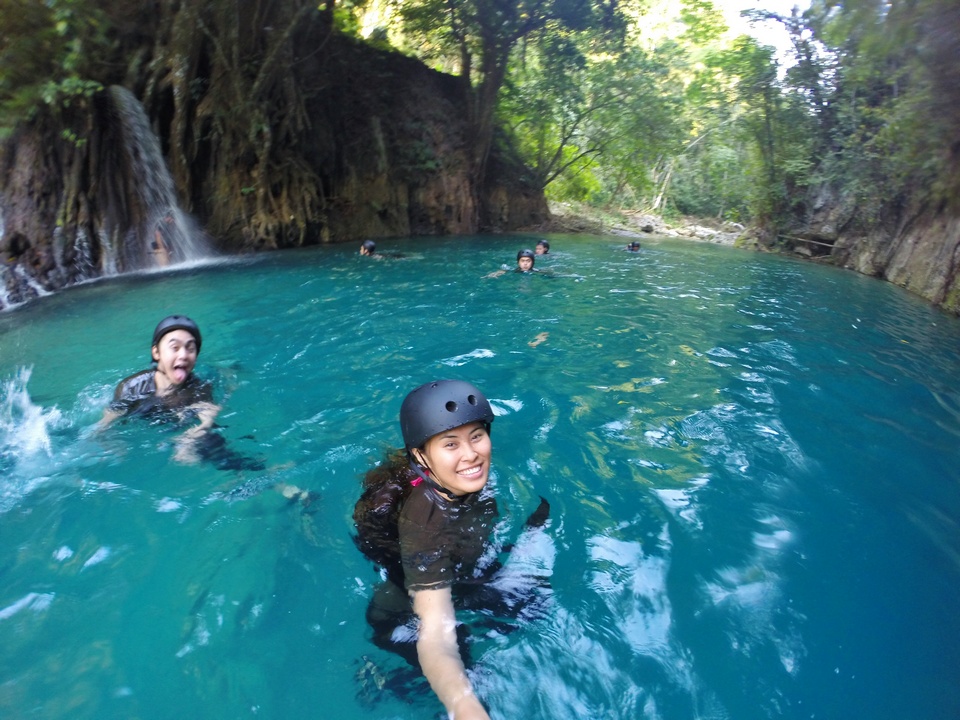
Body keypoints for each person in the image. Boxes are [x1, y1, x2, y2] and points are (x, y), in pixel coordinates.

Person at [353, 380, 549, 720]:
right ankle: (385, 678)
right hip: (404, 619)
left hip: (460, 576)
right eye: (450, 444)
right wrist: (464, 707)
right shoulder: (426, 526)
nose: (471, 454)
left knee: (533, 602)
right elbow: (434, 631)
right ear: (420, 455)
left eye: (476, 436)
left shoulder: (451, 481)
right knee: (475, 679)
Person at [99, 315, 262, 470]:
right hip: (143, 424)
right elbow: (109, 419)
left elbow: (207, 418)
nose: (183, 355)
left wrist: (190, 439)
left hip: (176, 424)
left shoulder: (198, 389)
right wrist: (107, 437)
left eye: (190, 349)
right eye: (174, 348)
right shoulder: (132, 387)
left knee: (210, 442)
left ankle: (256, 472)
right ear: (156, 353)